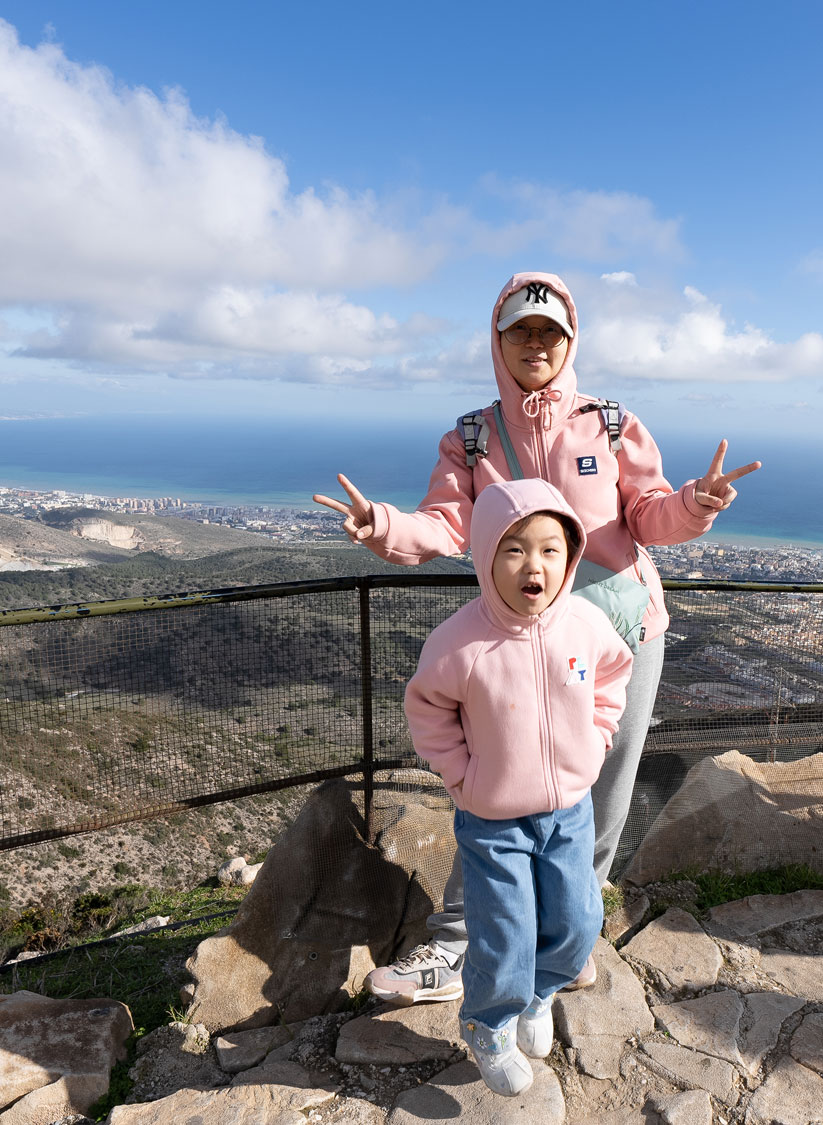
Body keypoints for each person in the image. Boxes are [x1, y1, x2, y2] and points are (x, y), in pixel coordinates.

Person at [314, 271, 759, 1004]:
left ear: (569, 340)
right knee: (498, 790)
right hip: (520, 638)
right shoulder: (473, 437)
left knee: (601, 793)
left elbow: (647, 514)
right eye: (520, 330)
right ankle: (462, 944)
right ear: (497, 340)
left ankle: (566, 941)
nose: (534, 343)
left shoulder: (609, 423)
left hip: (618, 631)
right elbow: (446, 524)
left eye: (548, 331)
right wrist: (384, 526)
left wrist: (693, 504)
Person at [404, 478, 632, 1095]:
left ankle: (539, 993)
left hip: (570, 809)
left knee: (580, 919)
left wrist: (599, 735)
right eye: (514, 549)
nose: (534, 565)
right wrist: (461, 775)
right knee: (504, 928)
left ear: (570, 557)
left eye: (550, 549)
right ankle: (488, 1023)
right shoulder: (460, 641)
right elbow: (427, 709)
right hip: (493, 818)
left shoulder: (584, 623)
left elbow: (614, 673)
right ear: (484, 557)